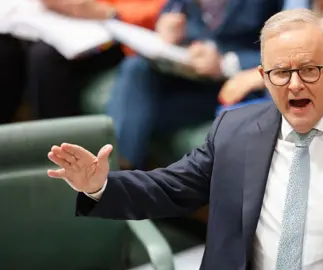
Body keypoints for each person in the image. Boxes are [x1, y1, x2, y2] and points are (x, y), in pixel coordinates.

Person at [47, 9, 323, 270]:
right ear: (264, 77)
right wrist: (97, 185)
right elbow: (171, 188)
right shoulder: (234, 130)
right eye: (280, 73)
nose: (294, 84)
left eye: (309, 70)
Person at [106, 0, 283, 170]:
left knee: (137, 115)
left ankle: (114, 175)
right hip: (188, 72)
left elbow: (287, 52)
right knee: (135, 69)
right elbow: (173, 10)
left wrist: (225, 63)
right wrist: (168, 26)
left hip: (234, 87)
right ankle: (115, 168)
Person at [0, 0, 166, 122]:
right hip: (65, 17)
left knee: (45, 57)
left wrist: (112, 13)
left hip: (121, 32)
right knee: (5, 48)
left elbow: (174, 9)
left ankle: (60, 154)